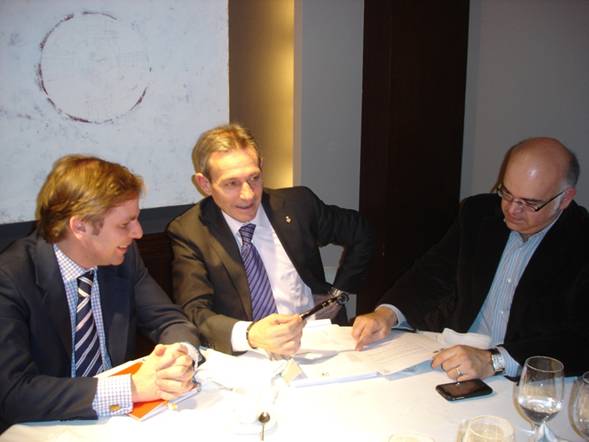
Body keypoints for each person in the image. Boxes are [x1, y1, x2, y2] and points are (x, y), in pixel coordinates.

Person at [352, 137, 589, 379]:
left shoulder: (581, 242)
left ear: (565, 199)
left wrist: (495, 360)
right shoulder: (479, 213)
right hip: (455, 356)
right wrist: (388, 313)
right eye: (507, 193)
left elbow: (580, 340)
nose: (512, 209)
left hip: (527, 377)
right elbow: (433, 273)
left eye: (530, 203)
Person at [0, 155, 203, 431]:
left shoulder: (124, 256)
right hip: (45, 428)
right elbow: (14, 393)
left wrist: (179, 357)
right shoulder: (11, 277)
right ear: (80, 226)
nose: (138, 233)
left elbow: (169, 320)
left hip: (120, 423)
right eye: (124, 224)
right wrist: (130, 388)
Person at [167, 123, 375, 356]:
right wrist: (251, 334)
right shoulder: (190, 231)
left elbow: (361, 231)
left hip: (315, 340)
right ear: (205, 184)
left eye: (254, 178)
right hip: (249, 354)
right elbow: (194, 311)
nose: (248, 194)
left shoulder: (298, 205)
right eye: (232, 183)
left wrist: (338, 295)